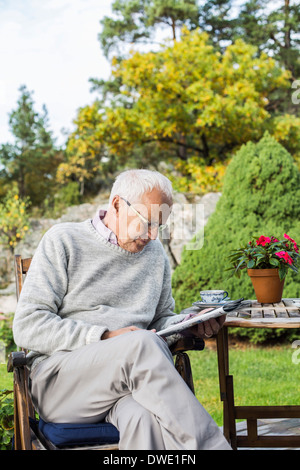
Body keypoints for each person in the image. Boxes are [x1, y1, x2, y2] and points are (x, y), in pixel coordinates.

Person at [13, 169, 231, 450]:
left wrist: (187, 322)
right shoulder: (63, 240)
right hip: (63, 385)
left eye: (159, 226)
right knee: (139, 343)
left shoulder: (155, 257)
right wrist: (105, 336)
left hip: (129, 384)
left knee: (144, 419)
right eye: (146, 222)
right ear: (117, 204)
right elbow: (28, 325)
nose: (153, 236)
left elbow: (161, 319)